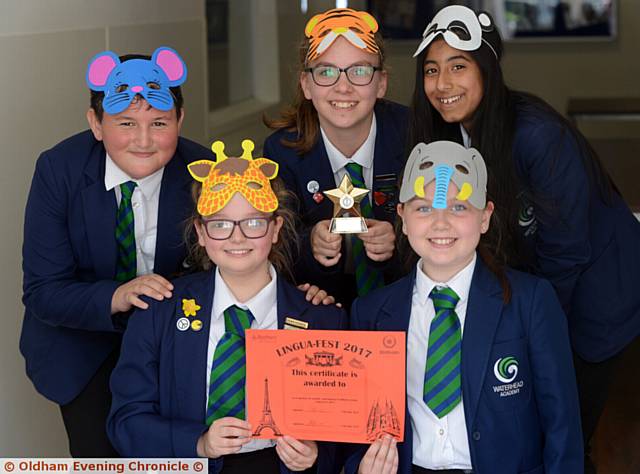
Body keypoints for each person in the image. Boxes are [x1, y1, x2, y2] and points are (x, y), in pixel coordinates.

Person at [408, 5, 640, 472]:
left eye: (458, 66)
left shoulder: (538, 136)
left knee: (568, 433)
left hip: (597, 297)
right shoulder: (451, 133)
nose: (442, 83)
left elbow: (567, 252)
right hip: (545, 289)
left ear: (488, 70)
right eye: (432, 70)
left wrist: (529, 332)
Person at [107, 139, 347, 473]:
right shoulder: (160, 311)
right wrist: (198, 442)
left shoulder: (322, 318)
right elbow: (125, 423)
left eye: (253, 222)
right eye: (220, 224)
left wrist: (316, 455)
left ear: (276, 228)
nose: (237, 238)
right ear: (200, 233)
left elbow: (346, 434)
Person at [346, 141, 583, 474]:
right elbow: (356, 427)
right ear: (402, 217)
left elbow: (562, 424)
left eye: (458, 208)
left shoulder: (530, 302)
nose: (440, 224)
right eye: (423, 208)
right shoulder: (371, 313)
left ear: (484, 217)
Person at [20, 46, 208, 456]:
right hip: (82, 348)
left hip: (173, 344)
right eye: (126, 123)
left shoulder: (203, 170)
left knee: (178, 455)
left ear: (180, 120)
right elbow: (42, 291)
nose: (143, 140)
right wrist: (117, 295)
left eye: (159, 122)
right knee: (100, 457)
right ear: (97, 123)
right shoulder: (59, 170)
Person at [263, 7, 408, 307]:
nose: (343, 87)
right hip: (323, 306)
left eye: (360, 70)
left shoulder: (412, 136)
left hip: (404, 302)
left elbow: (446, 226)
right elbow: (273, 243)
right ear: (306, 84)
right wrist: (308, 244)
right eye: (326, 71)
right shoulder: (282, 151)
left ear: (381, 83)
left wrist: (400, 239)